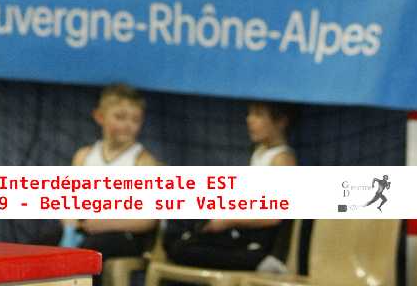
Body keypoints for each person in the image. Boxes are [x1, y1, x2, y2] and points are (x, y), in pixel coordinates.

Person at [163, 101, 297, 272]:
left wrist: (228, 221)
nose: (250, 120)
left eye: (258, 115)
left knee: (183, 249)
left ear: (281, 122)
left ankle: (262, 262)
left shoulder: (283, 160)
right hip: (241, 233)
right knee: (174, 241)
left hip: (261, 243)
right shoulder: (259, 152)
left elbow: (274, 216)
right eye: (249, 113)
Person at [63, 83, 159, 277]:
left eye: (135, 119)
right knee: (41, 247)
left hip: (126, 236)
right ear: (100, 116)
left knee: (90, 252)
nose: (128, 125)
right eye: (120, 117)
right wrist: (70, 225)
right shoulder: (84, 156)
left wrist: (104, 223)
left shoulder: (143, 162)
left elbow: (148, 221)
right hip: (85, 230)